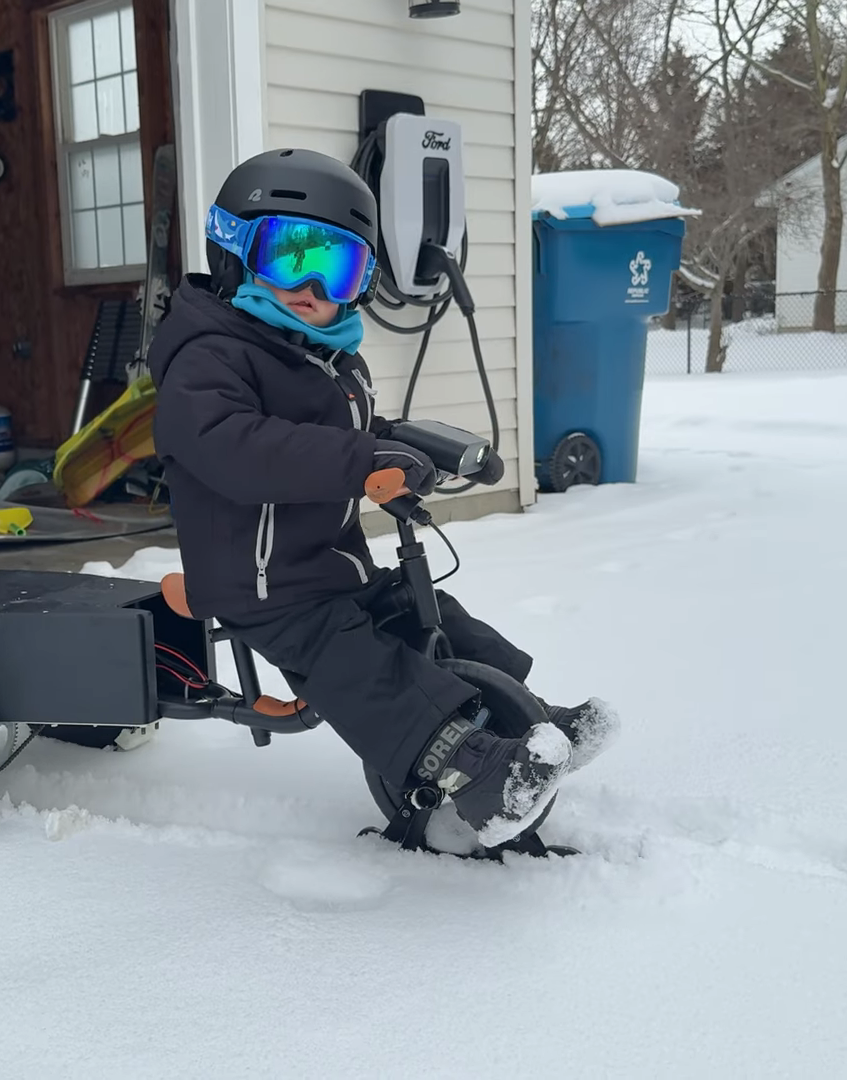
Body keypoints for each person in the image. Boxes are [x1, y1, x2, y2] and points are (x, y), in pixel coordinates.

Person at [145, 148, 614, 848]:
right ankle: (470, 768)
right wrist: (363, 460)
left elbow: (357, 431)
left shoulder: (321, 357)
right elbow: (236, 446)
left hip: (328, 567)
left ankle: (533, 719)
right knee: (358, 663)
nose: (310, 285)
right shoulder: (208, 358)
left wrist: (422, 448)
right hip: (261, 585)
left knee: (423, 613)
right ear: (235, 253)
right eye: (289, 257)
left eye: (336, 268)